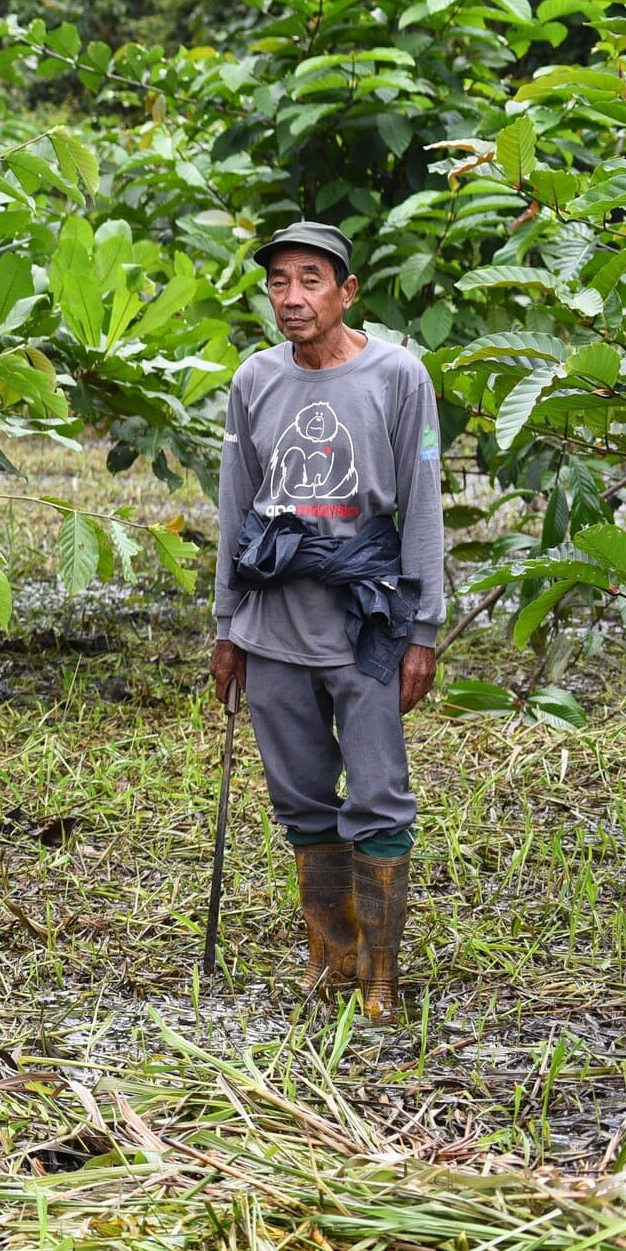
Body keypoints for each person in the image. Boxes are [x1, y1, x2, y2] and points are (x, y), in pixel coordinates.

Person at [211, 222, 443, 1023]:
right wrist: (227, 625)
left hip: (366, 617)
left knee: (378, 797)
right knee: (302, 800)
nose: (292, 297)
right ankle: (331, 956)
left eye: (311, 279)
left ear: (346, 292)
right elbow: (235, 509)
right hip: (274, 620)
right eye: (279, 281)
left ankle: (380, 975)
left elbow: (421, 508)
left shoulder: (399, 376)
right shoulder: (254, 381)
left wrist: (423, 629)